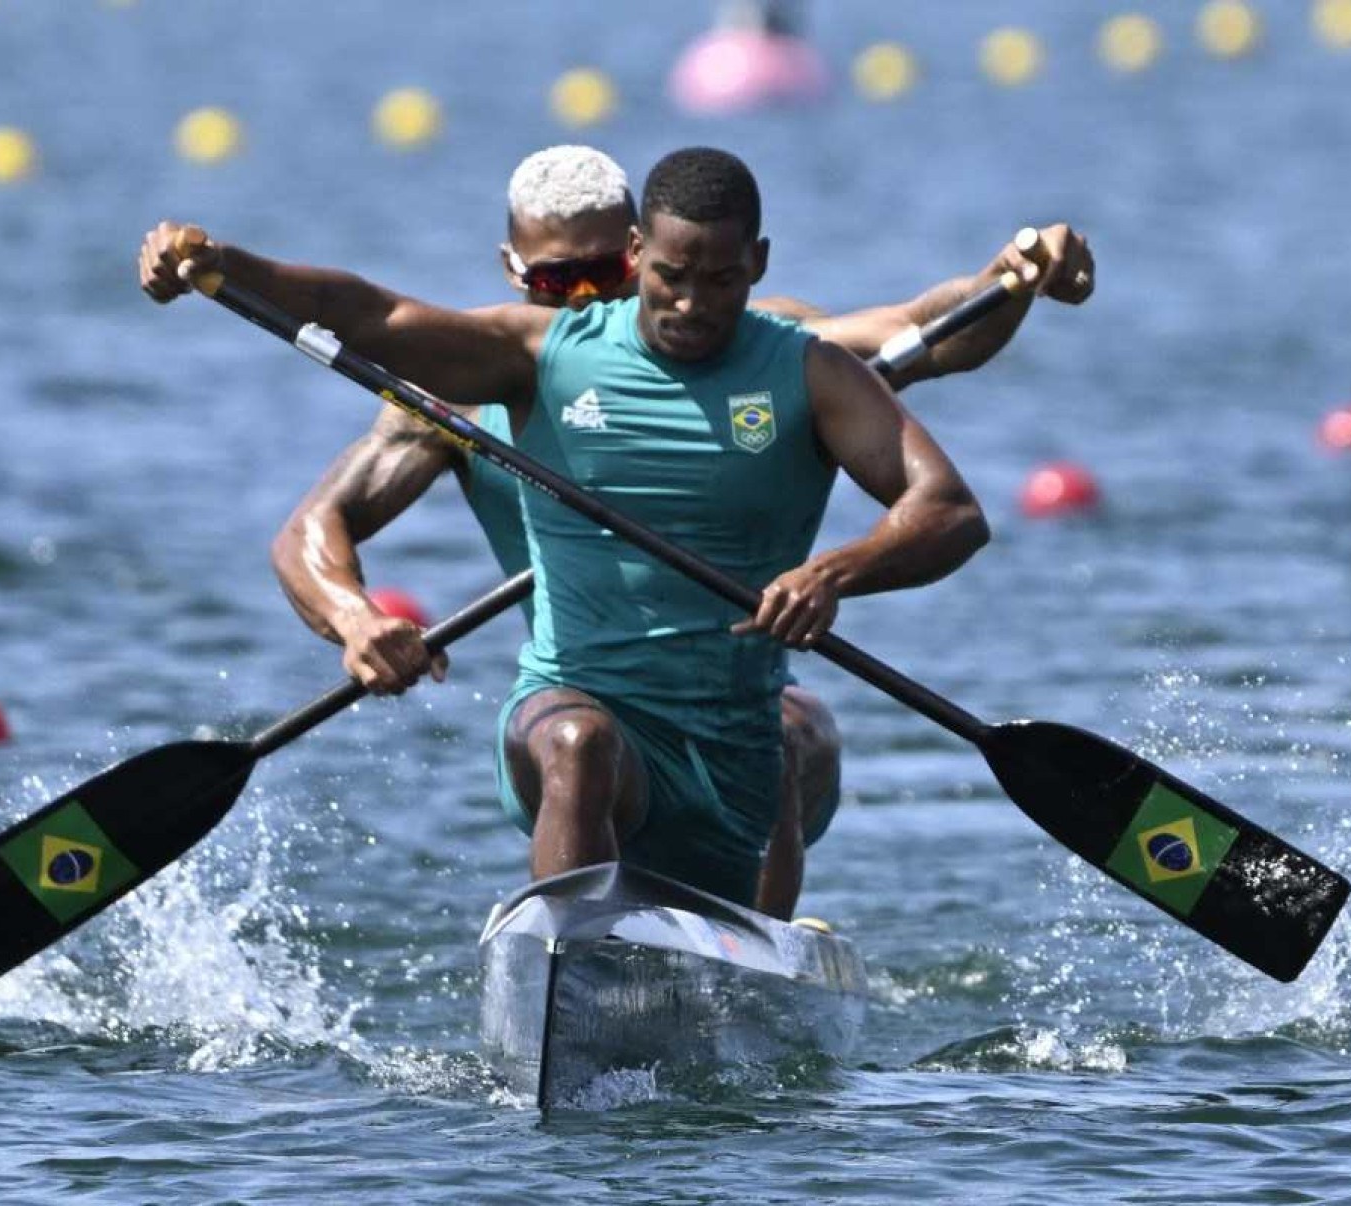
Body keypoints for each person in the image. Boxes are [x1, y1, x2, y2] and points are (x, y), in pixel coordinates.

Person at [138, 146, 1076, 911]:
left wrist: (1017, 275)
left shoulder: (785, 352)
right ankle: (569, 963)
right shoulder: (491, 371)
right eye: (560, 278)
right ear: (515, 274)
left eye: (604, 276)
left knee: (796, 734)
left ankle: (757, 963)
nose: (594, 299)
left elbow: (930, 331)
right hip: (580, 708)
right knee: (578, 746)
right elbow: (365, 325)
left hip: (730, 708)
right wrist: (356, 622)